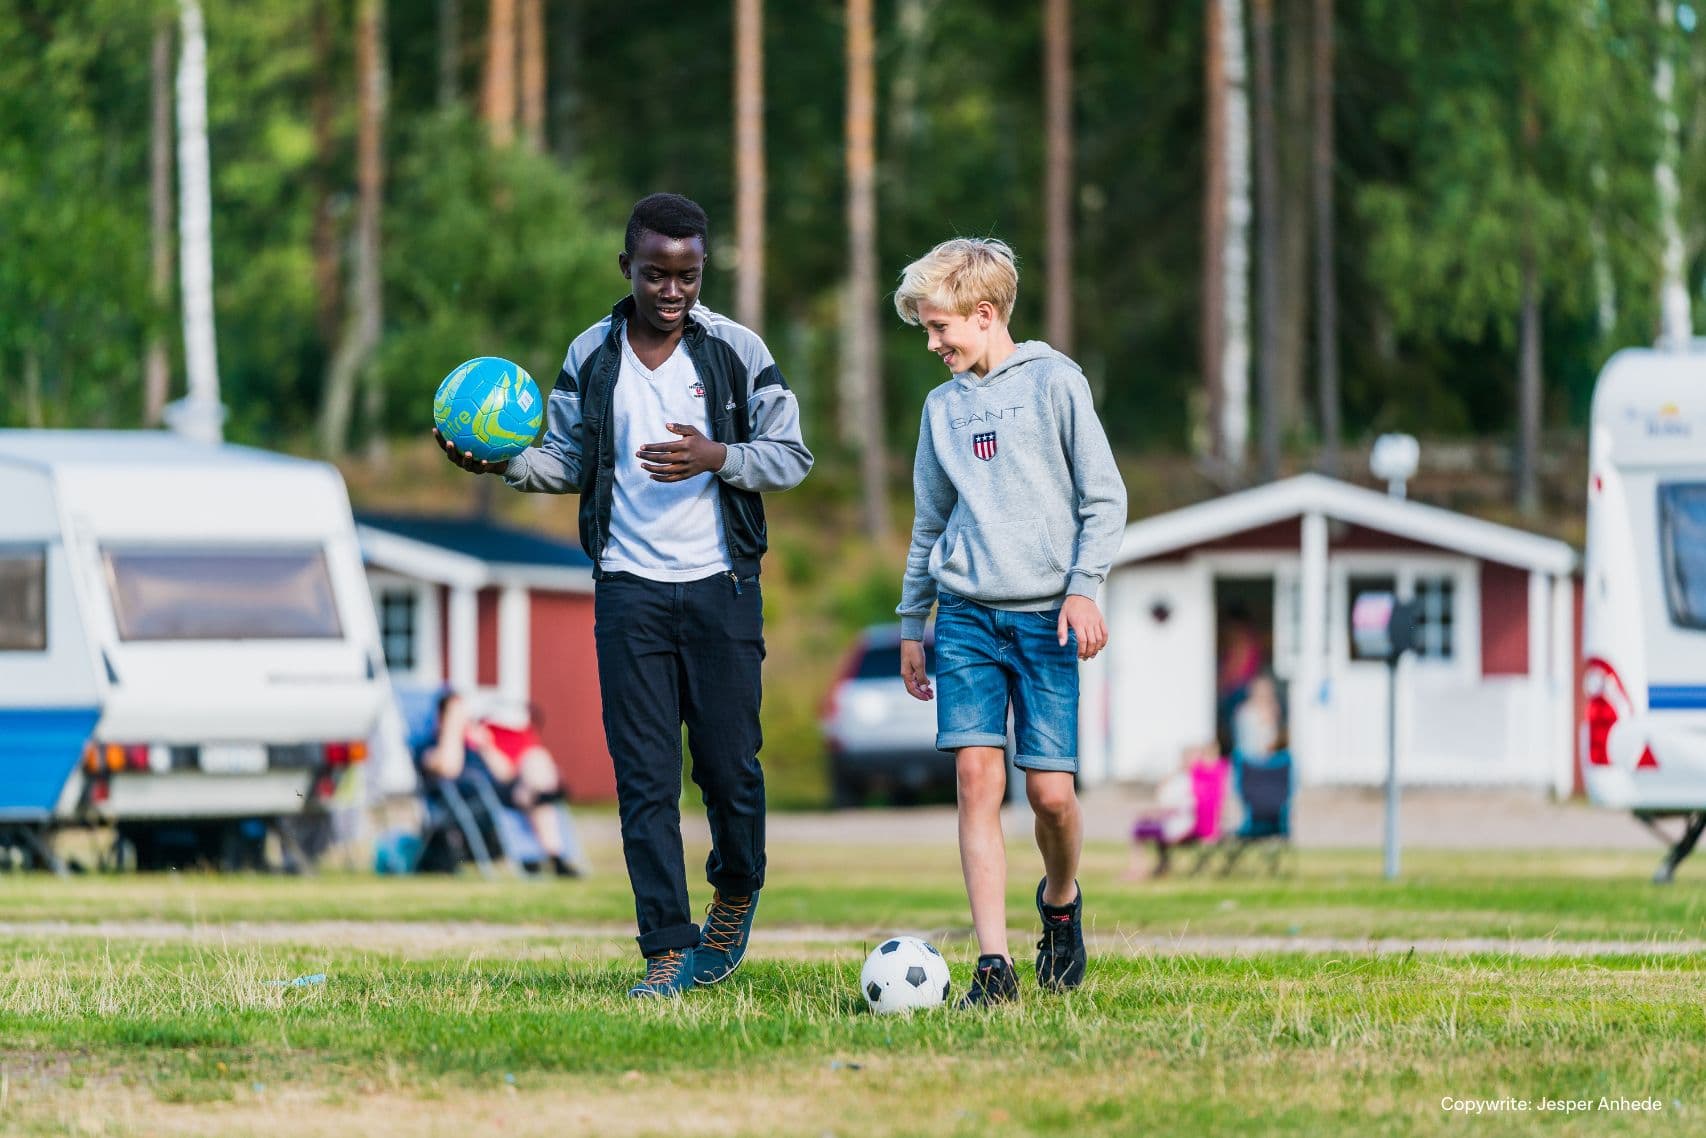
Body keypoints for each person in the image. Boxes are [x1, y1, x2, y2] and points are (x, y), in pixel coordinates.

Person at [435, 193, 813, 998]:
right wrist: (498, 463)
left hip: (721, 588)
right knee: (644, 779)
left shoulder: (737, 351)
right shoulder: (591, 355)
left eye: (688, 275)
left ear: (702, 271)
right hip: (630, 595)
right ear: (627, 269)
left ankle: (736, 890)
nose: (673, 291)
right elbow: (567, 461)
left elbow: (791, 456)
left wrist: (718, 455)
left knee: (729, 771)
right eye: (656, 275)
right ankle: (666, 948)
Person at [891, 237, 1127, 1007]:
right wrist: (910, 623)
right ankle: (993, 967)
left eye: (939, 328)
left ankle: (1059, 902)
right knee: (974, 778)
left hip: (1046, 622)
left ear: (983, 315)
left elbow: (1104, 500)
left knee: (1052, 794)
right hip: (964, 618)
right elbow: (929, 525)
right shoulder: (941, 410)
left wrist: (1084, 588)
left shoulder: (1057, 384)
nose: (931, 344)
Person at [419, 690, 582, 877]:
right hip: (472, 797)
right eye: (456, 714)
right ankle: (539, 796)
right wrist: (453, 731)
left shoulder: (475, 742)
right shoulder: (429, 746)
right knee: (537, 797)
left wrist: (486, 747)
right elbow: (449, 767)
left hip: (500, 791)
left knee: (536, 759)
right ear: (442, 718)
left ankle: (554, 852)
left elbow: (505, 773)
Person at [1126, 744, 1227, 879]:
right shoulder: (1196, 779)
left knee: (1138, 828)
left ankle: (1138, 869)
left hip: (1182, 827)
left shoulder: (1188, 781)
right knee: (1143, 824)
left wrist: (1151, 812)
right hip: (1185, 824)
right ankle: (1156, 866)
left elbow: (1175, 807)